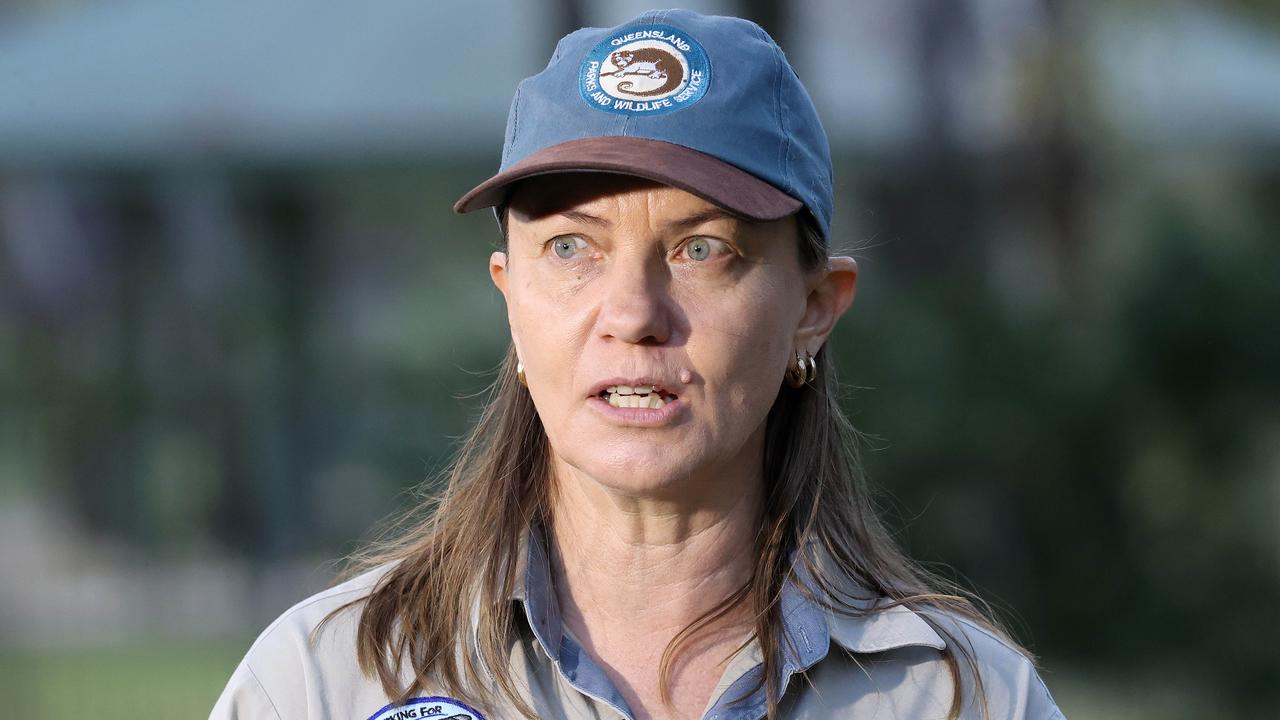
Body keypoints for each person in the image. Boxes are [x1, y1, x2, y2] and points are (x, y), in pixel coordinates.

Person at [212, 9, 1064, 720]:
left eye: (703, 249)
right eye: (572, 246)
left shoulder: (964, 699)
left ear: (814, 308)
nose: (632, 315)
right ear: (511, 298)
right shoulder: (322, 684)